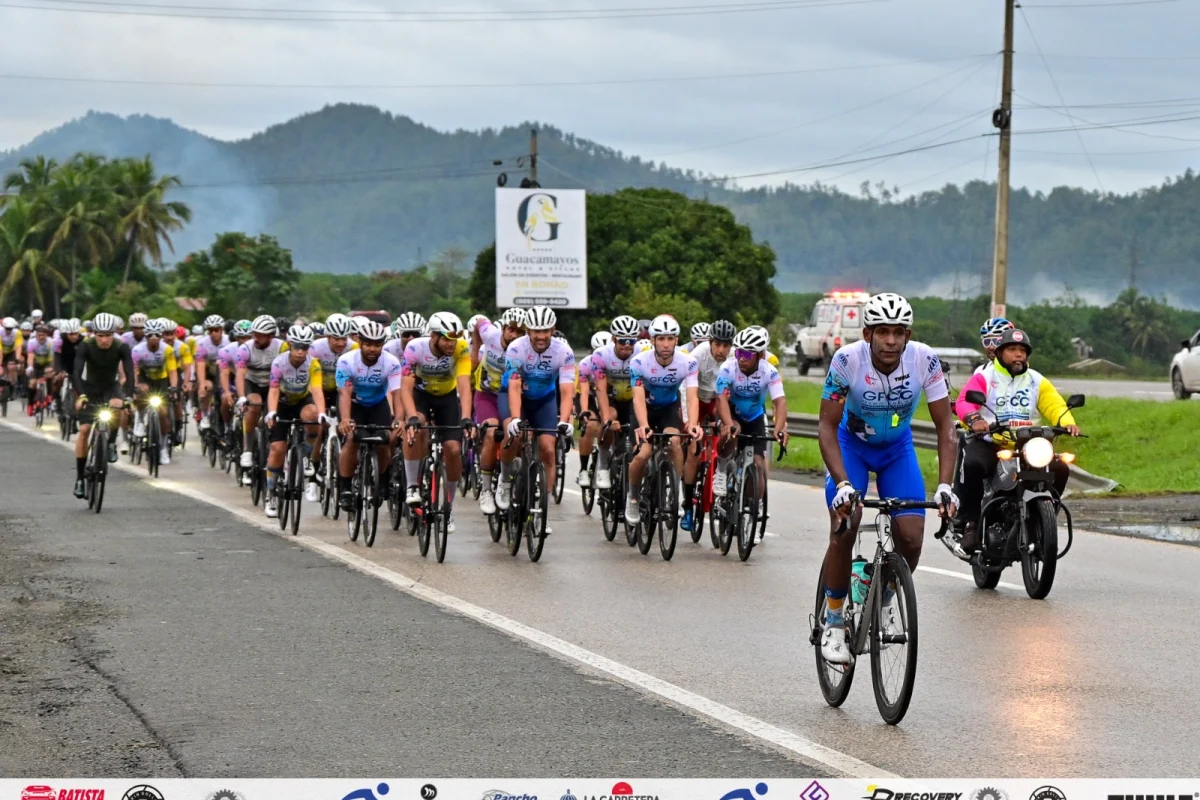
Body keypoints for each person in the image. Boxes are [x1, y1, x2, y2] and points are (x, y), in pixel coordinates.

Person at [817, 292, 958, 665]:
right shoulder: (846, 360)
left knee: (911, 539)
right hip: (853, 448)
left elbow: (947, 427)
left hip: (897, 450)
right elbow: (827, 428)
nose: (891, 341)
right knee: (846, 524)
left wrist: (946, 485)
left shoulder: (925, 360)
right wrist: (843, 483)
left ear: (908, 335)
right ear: (868, 334)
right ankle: (833, 621)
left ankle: (882, 598)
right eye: (883, 332)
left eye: (898, 332)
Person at [952, 328, 1081, 554]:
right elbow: (965, 401)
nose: (1018, 355)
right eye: (1012, 350)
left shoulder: (1036, 380)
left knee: (1060, 468)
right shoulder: (986, 376)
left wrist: (1067, 422)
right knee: (972, 464)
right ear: (1000, 353)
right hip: (991, 441)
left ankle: (1044, 518)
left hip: (1028, 445)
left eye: (1022, 350)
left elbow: (1055, 405)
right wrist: (974, 419)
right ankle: (970, 523)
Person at [496, 306, 576, 528]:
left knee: (548, 448)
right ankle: (504, 480)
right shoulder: (515, 348)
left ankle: (543, 507)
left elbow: (568, 389)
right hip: (514, 395)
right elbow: (513, 385)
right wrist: (514, 418)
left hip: (543, 400)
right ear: (528, 331)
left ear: (553, 330)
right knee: (513, 437)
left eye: (545, 330)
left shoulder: (564, 352)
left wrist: (565, 420)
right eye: (535, 331)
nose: (541, 336)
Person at [714, 326, 791, 541]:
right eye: (738, 353)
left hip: (755, 417)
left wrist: (779, 427)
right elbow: (721, 398)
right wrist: (728, 423)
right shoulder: (728, 368)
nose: (741, 358)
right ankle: (721, 470)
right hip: (731, 412)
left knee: (758, 464)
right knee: (731, 434)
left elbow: (780, 401)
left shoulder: (769, 371)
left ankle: (755, 510)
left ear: (759, 355)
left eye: (746, 355)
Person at [399, 312, 473, 533]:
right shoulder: (414, 348)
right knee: (418, 426)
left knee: (452, 448)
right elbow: (405, 387)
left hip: (447, 398)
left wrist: (467, 417)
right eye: (446, 338)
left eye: (455, 338)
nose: (451, 344)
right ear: (433, 336)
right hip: (421, 396)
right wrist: (411, 416)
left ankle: (448, 508)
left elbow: (464, 385)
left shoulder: (461, 348)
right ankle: (412, 485)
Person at [626, 314, 701, 526]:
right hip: (644, 409)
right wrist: (643, 426)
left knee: (675, 442)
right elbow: (638, 398)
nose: (666, 344)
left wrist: (693, 424)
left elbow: (692, 396)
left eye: (670, 338)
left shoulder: (688, 362)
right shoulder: (639, 362)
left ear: (677, 340)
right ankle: (632, 498)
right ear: (652, 340)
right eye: (661, 339)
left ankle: (675, 493)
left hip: (669, 407)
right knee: (644, 453)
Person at [335, 320, 403, 511]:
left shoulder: (391, 362)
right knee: (351, 439)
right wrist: (346, 419)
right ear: (359, 341)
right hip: (354, 404)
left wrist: (398, 420)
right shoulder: (346, 361)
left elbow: (397, 394)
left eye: (377, 344)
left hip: (377, 404)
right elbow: (345, 394)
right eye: (368, 344)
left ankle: (382, 479)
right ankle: (346, 488)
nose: (372, 349)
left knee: (385, 441)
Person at [264, 325, 327, 516]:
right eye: (297, 346)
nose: (301, 351)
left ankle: (307, 456)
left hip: (302, 400)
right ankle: (271, 493)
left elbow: (316, 389)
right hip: (282, 402)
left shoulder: (313, 364)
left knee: (312, 416)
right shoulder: (279, 363)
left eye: (305, 347)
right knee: (278, 448)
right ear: (290, 345)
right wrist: (272, 412)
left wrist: (322, 413)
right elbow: (274, 389)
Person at [680, 319, 736, 532]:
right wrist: (690, 423)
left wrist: (725, 421)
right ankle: (687, 506)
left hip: (717, 400)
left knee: (726, 435)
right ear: (710, 342)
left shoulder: (733, 358)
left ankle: (722, 474)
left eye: (726, 345)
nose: (721, 350)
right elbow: (687, 392)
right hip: (696, 398)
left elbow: (733, 392)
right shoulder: (697, 357)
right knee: (694, 450)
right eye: (717, 345)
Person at [471, 308, 526, 515]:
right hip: (487, 394)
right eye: (511, 329)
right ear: (503, 328)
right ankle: (485, 489)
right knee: (492, 433)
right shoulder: (490, 334)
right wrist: (475, 353)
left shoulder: (524, 348)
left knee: (515, 433)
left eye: (520, 332)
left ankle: (507, 479)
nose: (514, 335)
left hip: (511, 395)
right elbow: (478, 321)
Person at [591, 314, 641, 491]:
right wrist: (605, 418)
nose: (627, 346)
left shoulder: (642, 353)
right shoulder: (600, 355)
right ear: (613, 339)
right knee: (609, 419)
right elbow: (600, 390)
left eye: (631, 341)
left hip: (633, 401)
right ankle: (603, 465)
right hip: (611, 399)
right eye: (622, 341)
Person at [235, 315, 288, 483]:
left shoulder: (282, 347)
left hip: (274, 386)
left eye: (260, 335)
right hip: (253, 384)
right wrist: (242, 397)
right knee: (255, 404)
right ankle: (248, 450)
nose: (255, 338)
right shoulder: (246, 348)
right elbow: (240, 373)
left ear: (271, 336)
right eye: (254, 334)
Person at [129, 318, 179, 465]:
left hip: (161, 381)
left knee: (163, 413)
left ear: (161, 336)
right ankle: (139, 418)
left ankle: (163, 448)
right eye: (150, 335)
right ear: (145, 337)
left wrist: (174, 387)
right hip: (145, 379)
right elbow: (134, 370)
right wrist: (135, 386)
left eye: (157, 335)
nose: (153, 339)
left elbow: (173, 371)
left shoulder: (167, 350)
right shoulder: (138, 350)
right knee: (142, 392)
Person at [575, 330, 612, 487]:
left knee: (611, 423)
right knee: (589, 426)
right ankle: (583, 469)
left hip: (606, 395)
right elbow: (583, 392)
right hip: (588, 397)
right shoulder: (585, 364)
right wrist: (584, 412)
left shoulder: (615, 363)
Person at [310, 313, 358, 416]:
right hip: (320, 387)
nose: (341, 343)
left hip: (342, 389)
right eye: (336, 339)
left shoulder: (354, 347)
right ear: (327, 336)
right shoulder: (315, 347)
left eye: (344, 339)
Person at [194, 315, 229, 431]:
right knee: (206, 387)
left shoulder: (228, 340)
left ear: (222, 330)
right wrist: (201, 383)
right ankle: (204, 414)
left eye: (216, 330)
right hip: (210, 373)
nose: (213, 333)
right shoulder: (202, 343)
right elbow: (200, 364)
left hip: (226, 373)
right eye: (210, 331)